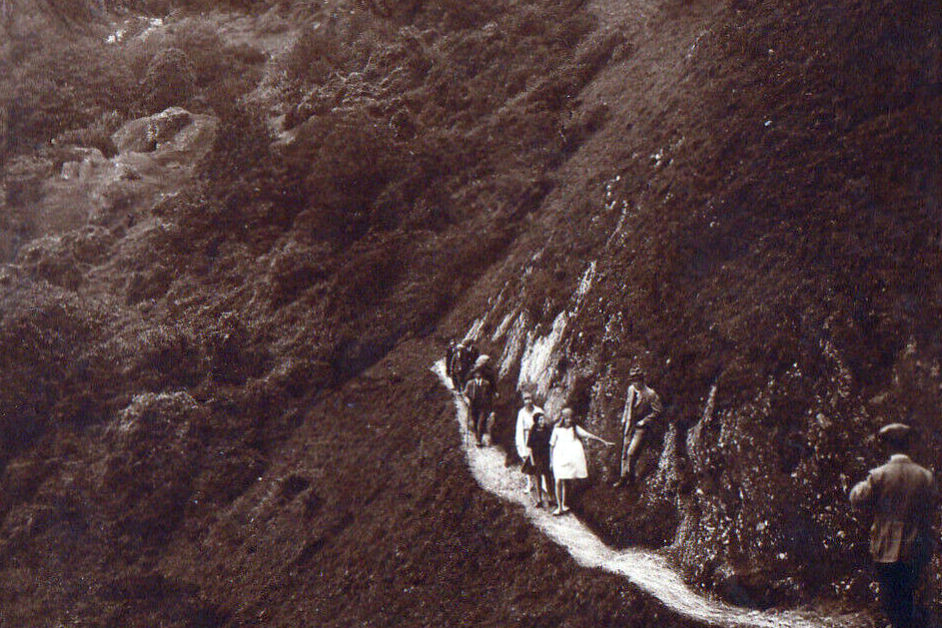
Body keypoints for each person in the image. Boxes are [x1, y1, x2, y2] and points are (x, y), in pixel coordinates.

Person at [849, 423, 938, 628]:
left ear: (889, 447)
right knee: (908, 595)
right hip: (915, 546)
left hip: (885, 546)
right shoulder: (924, 476)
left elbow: (857, 498)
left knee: (890, 598)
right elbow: (933, 504)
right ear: (908, 446)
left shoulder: (879, 475)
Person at [549, 407, 613, 515]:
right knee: (558, 481)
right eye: (567, 418)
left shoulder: (574, 428)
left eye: (570, 418)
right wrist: (551, 461)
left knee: (565, 481)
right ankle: (559, 506)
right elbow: (551, 445)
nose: (569, 420)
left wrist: (604, 442)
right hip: (559, 458)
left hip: (569, 458)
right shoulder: (556, 429)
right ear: (563, 418)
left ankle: (563, 505)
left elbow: (588, 435)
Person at [613, 366, 663, 488]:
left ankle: (631, 477)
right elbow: (627, 405)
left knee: (631, 453)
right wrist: (624, 419)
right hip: (629, 425)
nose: (635, 384)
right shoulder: (631, 389)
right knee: (625, 452)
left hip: (640, 428)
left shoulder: (651, 394)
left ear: (642, 380)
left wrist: (644, 421)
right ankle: (623, 478)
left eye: (637, 381)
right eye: (633, 381)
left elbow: (658, 411)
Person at [515, 392, 543, 492]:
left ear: (533, 399)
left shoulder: (538, 410)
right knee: (527, 460)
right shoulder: (521, 412)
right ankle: (529, 484)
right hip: (527, 436)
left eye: (530, 399)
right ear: (523, 401)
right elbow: (519, 429)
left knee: (539, 460)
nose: (528, 401)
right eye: (526, 399)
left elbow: (542, 424)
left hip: (537, 437)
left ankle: (542, 484)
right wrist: (520, 444)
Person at [526, 410, 554, 508]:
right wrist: (532, 461)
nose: (543, 421)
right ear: (537, 421)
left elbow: (551, 443)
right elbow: (529, 447)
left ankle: (551, 498)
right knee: (538, 478)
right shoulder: (533, 431)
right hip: (537, 457)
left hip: (546, 456)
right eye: (540, 419)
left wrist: (551, 459)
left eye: (543, 419)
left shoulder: (547, 429)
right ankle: (539, 499)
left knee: (548, 477)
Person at [463, 368, 494, 446]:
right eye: (476, 373)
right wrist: (467, 400)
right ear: (474, 375)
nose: (478, 375)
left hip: (483, 406)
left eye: (480, 373)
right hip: (473, 406)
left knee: (481, 423)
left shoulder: (486, 384)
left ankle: (479, 440)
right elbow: (465, 393)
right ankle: (477, 437)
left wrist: (490, 407)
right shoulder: (470, 383)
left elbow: (489, 396)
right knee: (475, 422)